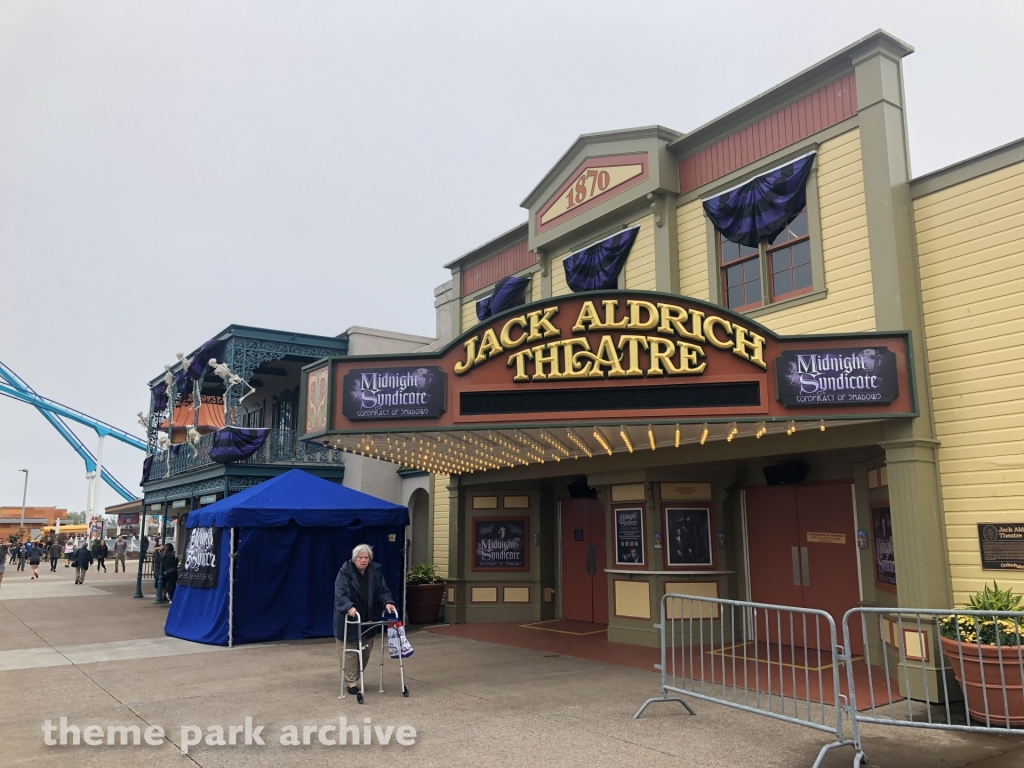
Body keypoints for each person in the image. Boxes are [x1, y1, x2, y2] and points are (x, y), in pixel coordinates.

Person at [334, 544, 397, 696]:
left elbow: (383, 590)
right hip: (350, 618)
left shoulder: (375, 571)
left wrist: (388, 602)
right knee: (350, 651)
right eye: (360, 558)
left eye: (366, 558)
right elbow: (340, 593)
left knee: (366, 650)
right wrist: (349, 606)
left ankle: (355, 676)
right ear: (354, 559)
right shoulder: (345, 572)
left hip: (369, 618)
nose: (363, 560)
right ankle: (351, 682)